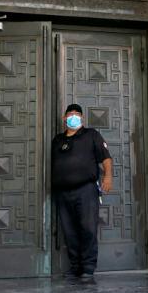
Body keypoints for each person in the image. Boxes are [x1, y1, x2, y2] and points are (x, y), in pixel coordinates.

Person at [51, 103, 112, 281]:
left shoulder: (91, 135)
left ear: (82, 118)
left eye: (77, 114)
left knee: (87, 228)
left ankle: (88, 267)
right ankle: (76, 266)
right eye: (70, 114)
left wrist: (108, 177)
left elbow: (106, 158)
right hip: (63, 192)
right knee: (69, 231)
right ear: (64, 118)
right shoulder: (58, 140)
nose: (73, 116)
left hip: (85, 190)